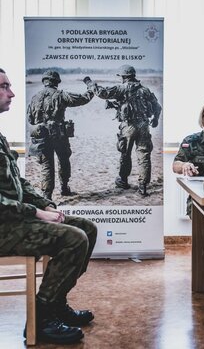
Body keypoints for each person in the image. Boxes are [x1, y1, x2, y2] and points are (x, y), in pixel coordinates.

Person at [0, 68, 97, 344]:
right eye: (4, 86)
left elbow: (18, 182)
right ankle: (41, 318)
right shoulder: (61, 95)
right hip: (5, 226)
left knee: (86, 229)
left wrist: (46, 204)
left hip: (13, 219)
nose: (12, 92)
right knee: (74, 239)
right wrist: (36, 212)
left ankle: (55, 303)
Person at [83, 65, 162, 196]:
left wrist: (89, 83)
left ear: (124, 77)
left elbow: (102, 93)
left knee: (125, 154)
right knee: (144, 155)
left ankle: (123, 181)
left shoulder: (120, 88)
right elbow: (157, 107)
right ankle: (143, 186)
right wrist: (156, 120)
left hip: (128, 126)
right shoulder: (145, 90)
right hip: (144, 125)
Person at [27, 70, 94, 200]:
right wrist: (91, 89)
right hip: (59, 136)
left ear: (44, 81)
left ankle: (47, 196)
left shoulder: (35, 97)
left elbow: (30, 119)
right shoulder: (61, 95)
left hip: (42, 137)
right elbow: (83, 99)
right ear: (57, 82)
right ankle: (64, 188)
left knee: (46, 167)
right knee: (63, 161)